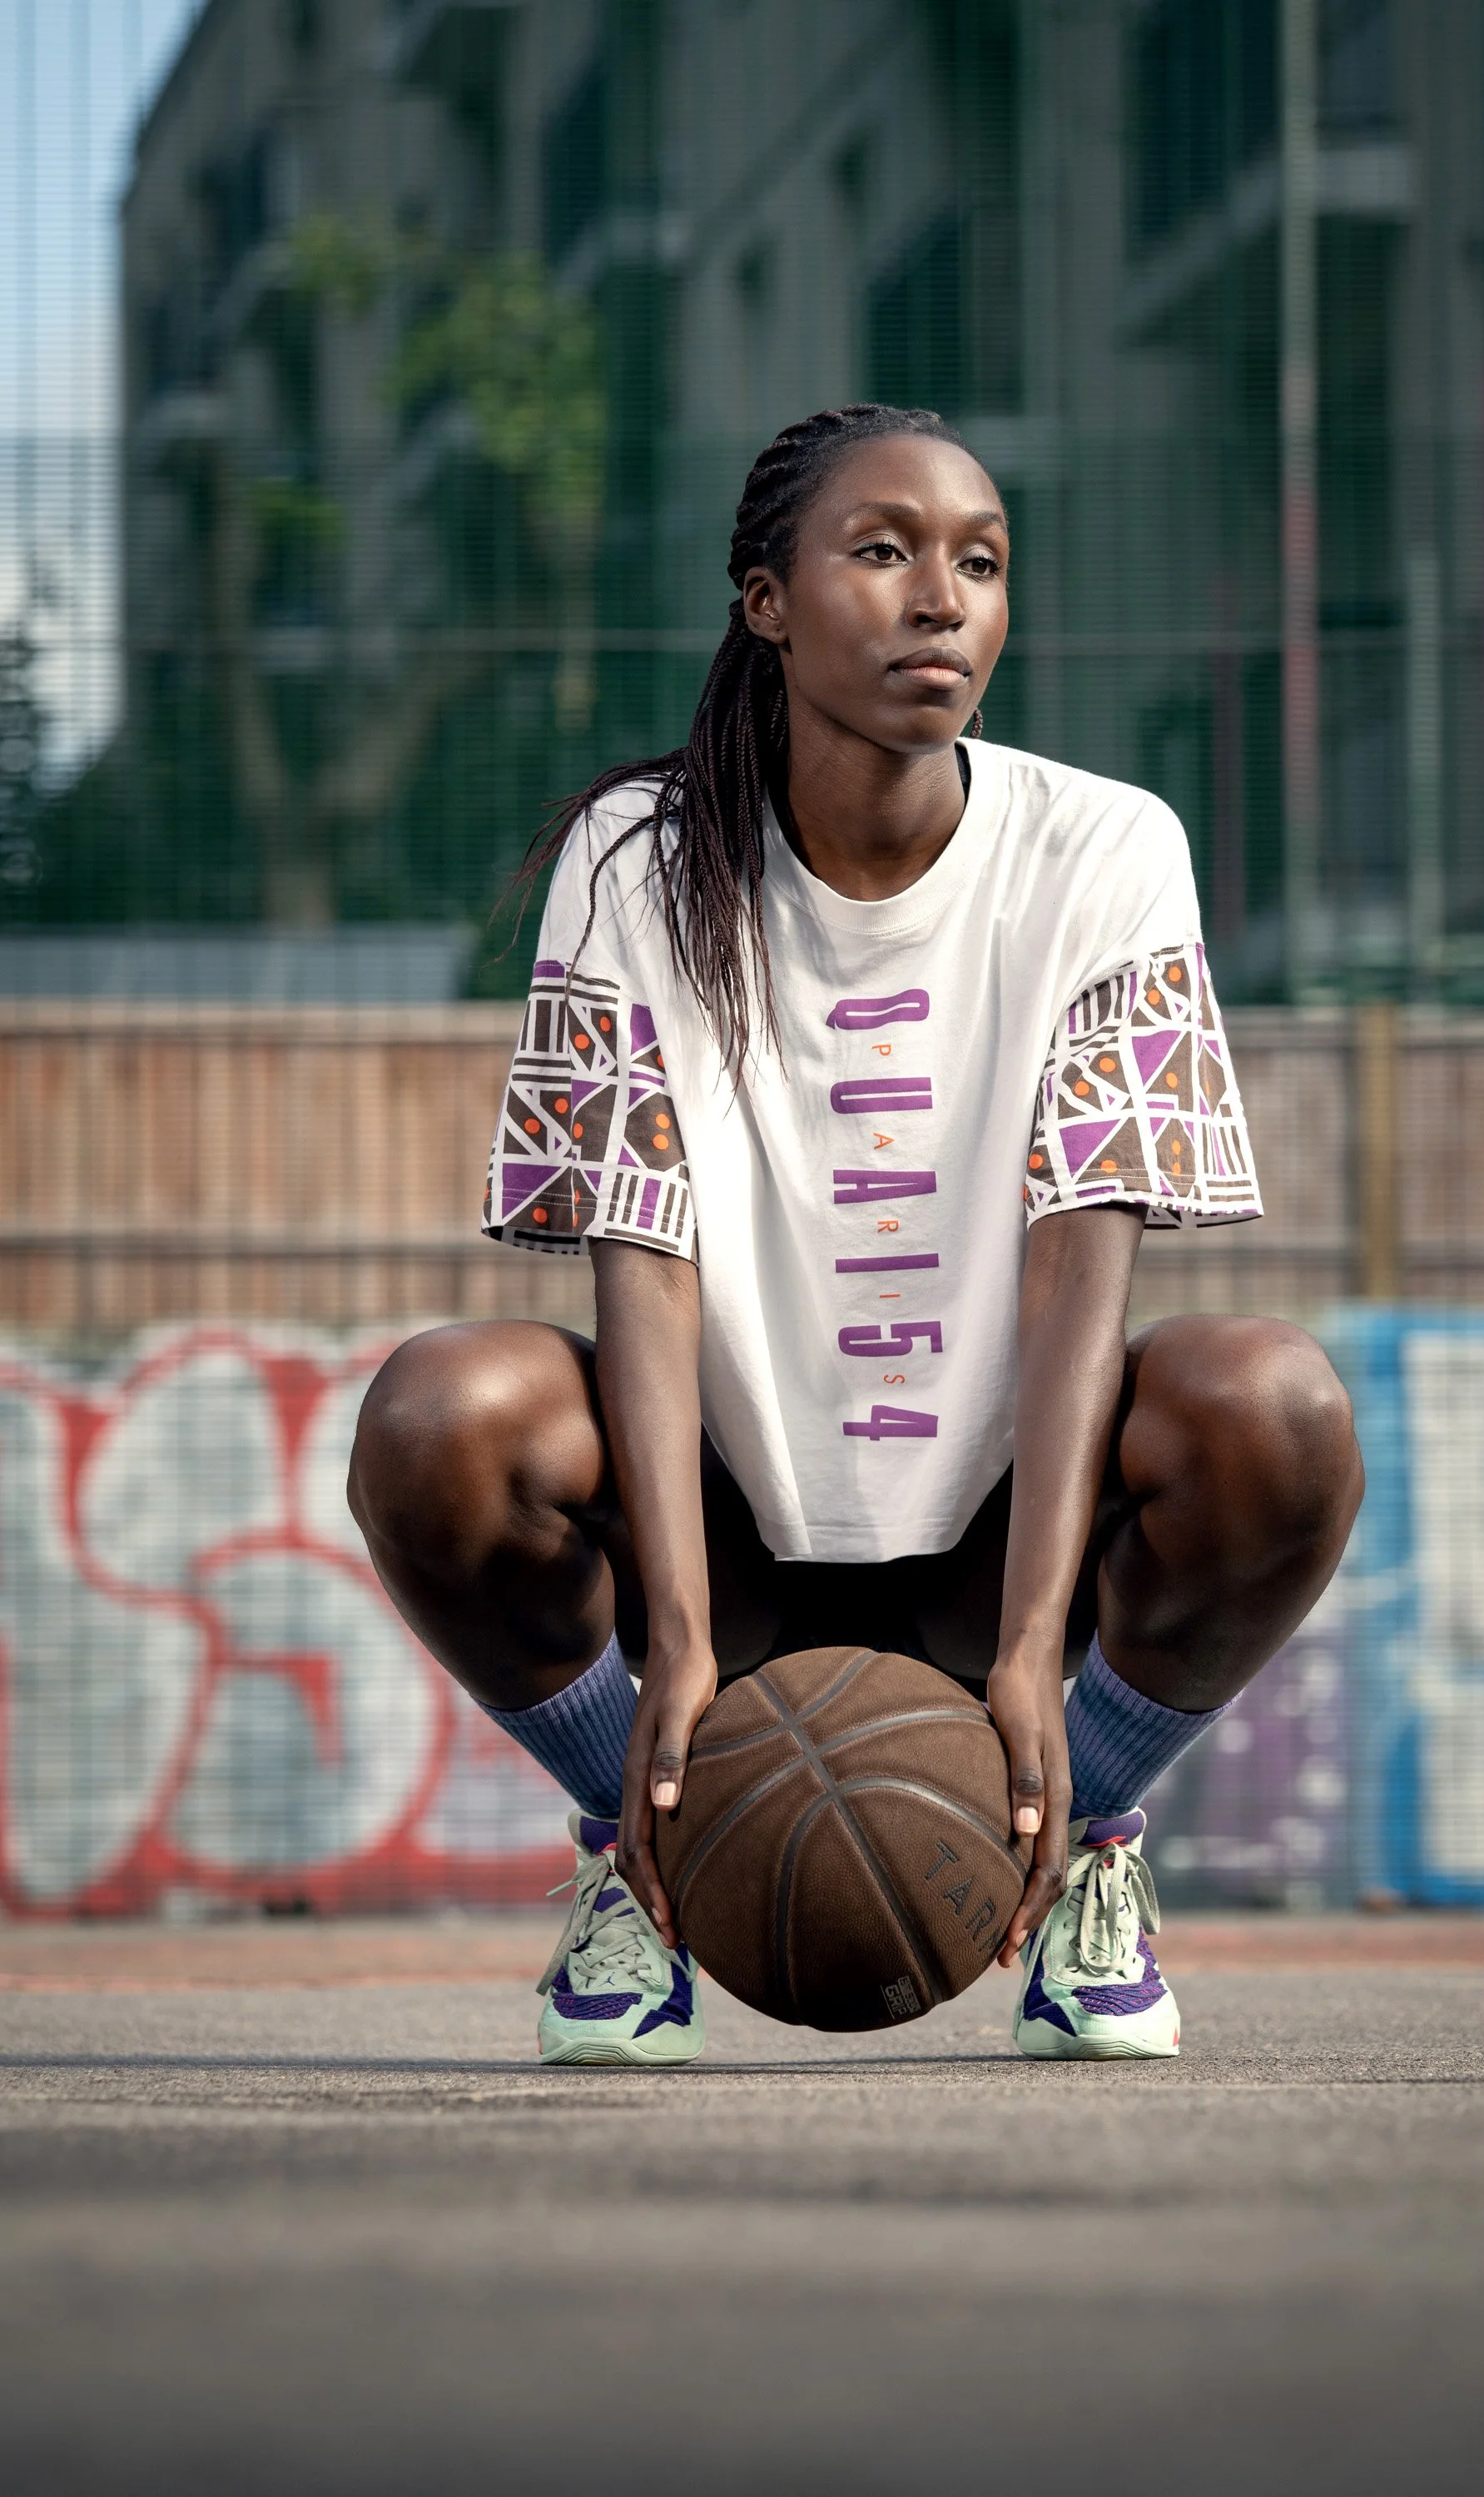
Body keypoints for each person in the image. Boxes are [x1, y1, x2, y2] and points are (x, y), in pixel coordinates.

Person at [349, 404, 1363, 2067]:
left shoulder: (1106, 851)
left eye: (979, 561)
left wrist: (1039, 1649)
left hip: (992, 1551)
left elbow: (1078, 1253)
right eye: (880, 551)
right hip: (741, 1551)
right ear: (765, 602)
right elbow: (645, 1261)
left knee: (1275, 1407)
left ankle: (1075, 1822)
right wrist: (673, 1640)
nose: (939, 598)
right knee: (435, 1419)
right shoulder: (635, 864)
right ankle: (646, 1840)